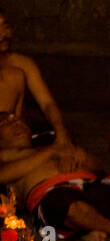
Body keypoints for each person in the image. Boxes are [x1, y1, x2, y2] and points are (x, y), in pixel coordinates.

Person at [0, 10, 72, 148]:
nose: (3, 35)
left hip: (21, 136)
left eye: (6, 27)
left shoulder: (21, 66)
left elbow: (47, 103)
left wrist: (61, 131)